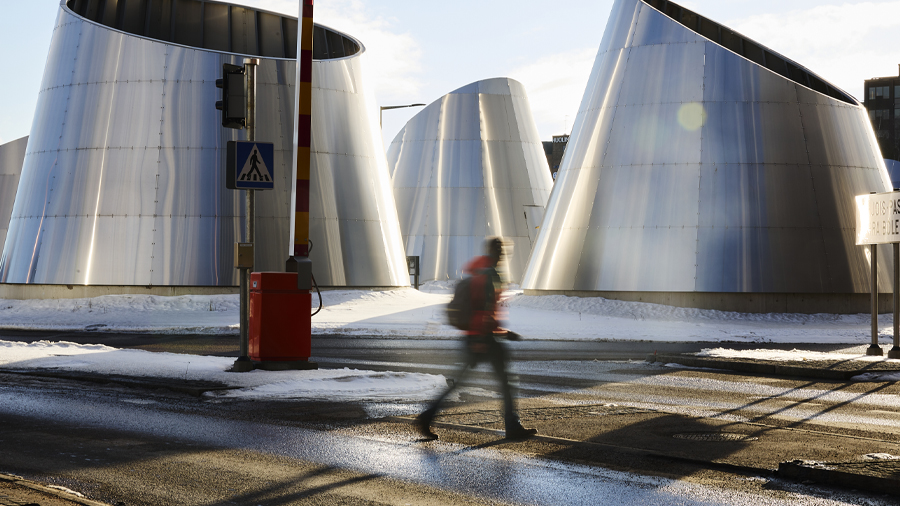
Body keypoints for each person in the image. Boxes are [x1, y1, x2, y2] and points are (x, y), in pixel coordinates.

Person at [416, 237, 537, 441]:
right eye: (503, 252)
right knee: (506, 381)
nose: (504, 256)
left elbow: (484, 309)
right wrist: (482, 339)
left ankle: (427, 416)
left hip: (475, 336)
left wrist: (501, 333)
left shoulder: (478, 270)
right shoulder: (490, 274)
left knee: (460, 382)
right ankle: (512, 425)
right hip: (483, 339)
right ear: (498, 253)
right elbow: (485, 308)